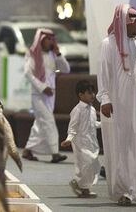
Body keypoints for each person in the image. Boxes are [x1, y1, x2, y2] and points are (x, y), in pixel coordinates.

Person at [97, 4, 136, 206]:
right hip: (117, 105)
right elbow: (103, 75)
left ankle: (132, 185)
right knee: (121, 147)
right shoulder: (107, 44)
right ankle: (125, 191)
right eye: (134, 20)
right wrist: (105, 99)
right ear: (123, 21)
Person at [22, 28, 70, 163]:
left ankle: (28, 150)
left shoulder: (53, 55)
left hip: (51, 95)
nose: (50, 42)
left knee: (40, 122)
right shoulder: (32, 55)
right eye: (47, 39)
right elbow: (28, 74)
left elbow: (65, 69)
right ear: (41, 40)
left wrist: (58, 53)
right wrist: (42, 87)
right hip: (38, 95)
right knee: (48, 121)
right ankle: (55, 153)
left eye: (51, 39)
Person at [61, 80, 101, 198]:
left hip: (92, 142)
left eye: (93, 92)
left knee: (93, 165)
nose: (93, 95)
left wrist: (107, 123)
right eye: (89, 93)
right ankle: (79, 184)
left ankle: (84, 188)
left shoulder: (93, 109)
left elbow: (94, 124)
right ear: (80, 95)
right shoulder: (77, 110)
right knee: (85, 164)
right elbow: (72, 127)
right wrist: (69, 139)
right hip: (80, 143)